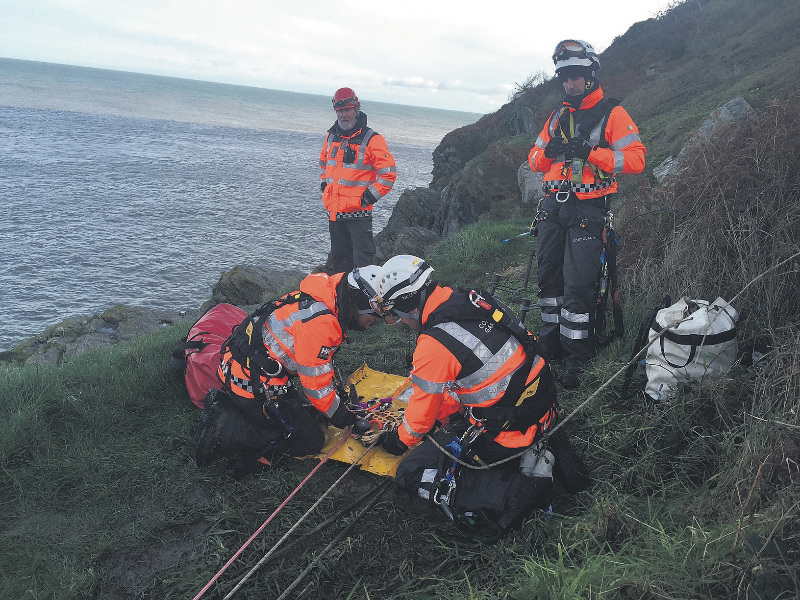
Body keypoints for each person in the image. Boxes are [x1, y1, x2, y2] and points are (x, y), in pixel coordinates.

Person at [370, 255, 589, 539]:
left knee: (411, 472)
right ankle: (544, 451)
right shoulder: (472, 299)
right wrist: (448, 417)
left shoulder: (433, 344)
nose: (400, 321)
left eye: (396, 315)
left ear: (408, 304)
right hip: (541, 407)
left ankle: (519, 492)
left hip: (507, 432)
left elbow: (419, 421)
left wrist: (398, 441)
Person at [529, 40, 645, 388]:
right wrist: (548, 153)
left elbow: (636, 160)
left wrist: (592, 153)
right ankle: (550, 347)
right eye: (565, 78)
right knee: (549, 281)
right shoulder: (557, 115)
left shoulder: (614, 114)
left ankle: (576, 358)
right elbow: (534, 160)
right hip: (552, 207)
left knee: (579, 285)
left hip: (588, 209)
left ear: (591, 76)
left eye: (576, 76)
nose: (570, 83)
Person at [196, 267, 382, 479]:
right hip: (251, 384)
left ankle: (242, 412)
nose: (374, 323)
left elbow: (317, 367)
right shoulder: (321, 323)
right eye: (374, 316)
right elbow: (317, 389)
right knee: (310, 441)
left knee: (307, 415)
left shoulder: (322, 299)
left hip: (247, 370)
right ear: (359, 302)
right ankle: (226, 426)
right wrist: (344, 417)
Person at [320, 88, 397, 273]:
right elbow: (323, 163)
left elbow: (388, 174)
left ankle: (363, 293)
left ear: (356, 109)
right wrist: (325, 186)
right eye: (340, 111)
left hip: (359, 216)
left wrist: (368, 198)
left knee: (363, 267)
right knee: (340, 266)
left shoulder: (372, 139)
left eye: (347, 110)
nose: (344, 115)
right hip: (335, 213)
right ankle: (343, 293)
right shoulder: (331, 137)